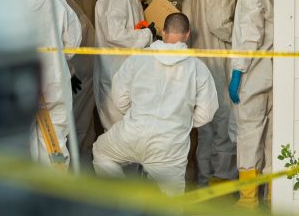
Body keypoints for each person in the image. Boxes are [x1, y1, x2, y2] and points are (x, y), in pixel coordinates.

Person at [91, 13, 219, 195]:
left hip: (132, 134)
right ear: (188, 34)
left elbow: (119, 97)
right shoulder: (197, 67)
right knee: (172, 204)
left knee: (101, 153)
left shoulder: (138, 58)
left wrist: (134, 115)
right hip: (169, 146)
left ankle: (123, 200)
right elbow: (207, 113)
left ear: (163, 32)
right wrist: (183, 121)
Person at [5, 0, 81, 167]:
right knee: (55, 142)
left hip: (24, 85)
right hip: (55, 83)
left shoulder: (11, 9)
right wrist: (57, 61)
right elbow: (73, 44)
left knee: (24, 144)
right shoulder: (57, 4)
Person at [182, 0, 244, 186]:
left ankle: (203, 182)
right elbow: (220, 24)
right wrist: (244, 34)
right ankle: (223, 185)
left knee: (205, 129)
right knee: (225, 128)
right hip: (218, 65)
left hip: (197, 67)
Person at [94, 0, 163, 132]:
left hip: (126, 79)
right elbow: (115, 35)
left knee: (130, 141)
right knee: (121, 141)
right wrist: (147, 34)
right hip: (115, 80)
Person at [228, 0, 274, 208]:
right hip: (272, 73)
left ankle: (247, 200)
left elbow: (250, 36)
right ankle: (271, 198)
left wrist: (238, 71)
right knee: (270, 138)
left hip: (252, 74)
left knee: (248, 136)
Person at [55, 0, 96, 165]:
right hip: (77, 79)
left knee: (81, 131)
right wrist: (70, 72)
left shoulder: (65, 4)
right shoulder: (67, 7)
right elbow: (67, 44)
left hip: (79, 77)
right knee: (76, 131)